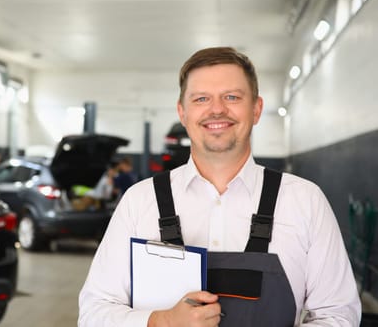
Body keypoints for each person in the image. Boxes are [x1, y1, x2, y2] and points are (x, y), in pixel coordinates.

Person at [78, 47, 361, 326]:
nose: (217, 109)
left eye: (232, 96)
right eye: (201, 98)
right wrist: (161, 322)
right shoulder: (140, 201)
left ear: (256, 108)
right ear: (183, 112)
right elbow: (94, 313)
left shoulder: (304, 200)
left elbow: (337, 315)